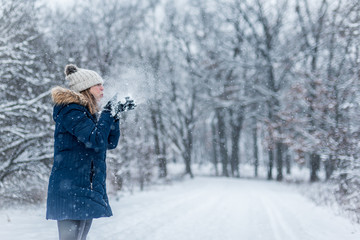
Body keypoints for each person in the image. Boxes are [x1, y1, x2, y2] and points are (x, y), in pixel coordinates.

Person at [46, 64, 121, 240]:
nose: (103, 88)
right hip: (70, 188)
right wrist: (108, 112)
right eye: (98, 85)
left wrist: (114, 115)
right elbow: (96, 140)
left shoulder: (87, 113)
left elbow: (109, 142)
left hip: (84, 188)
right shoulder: (71, 110)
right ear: (86, 88)